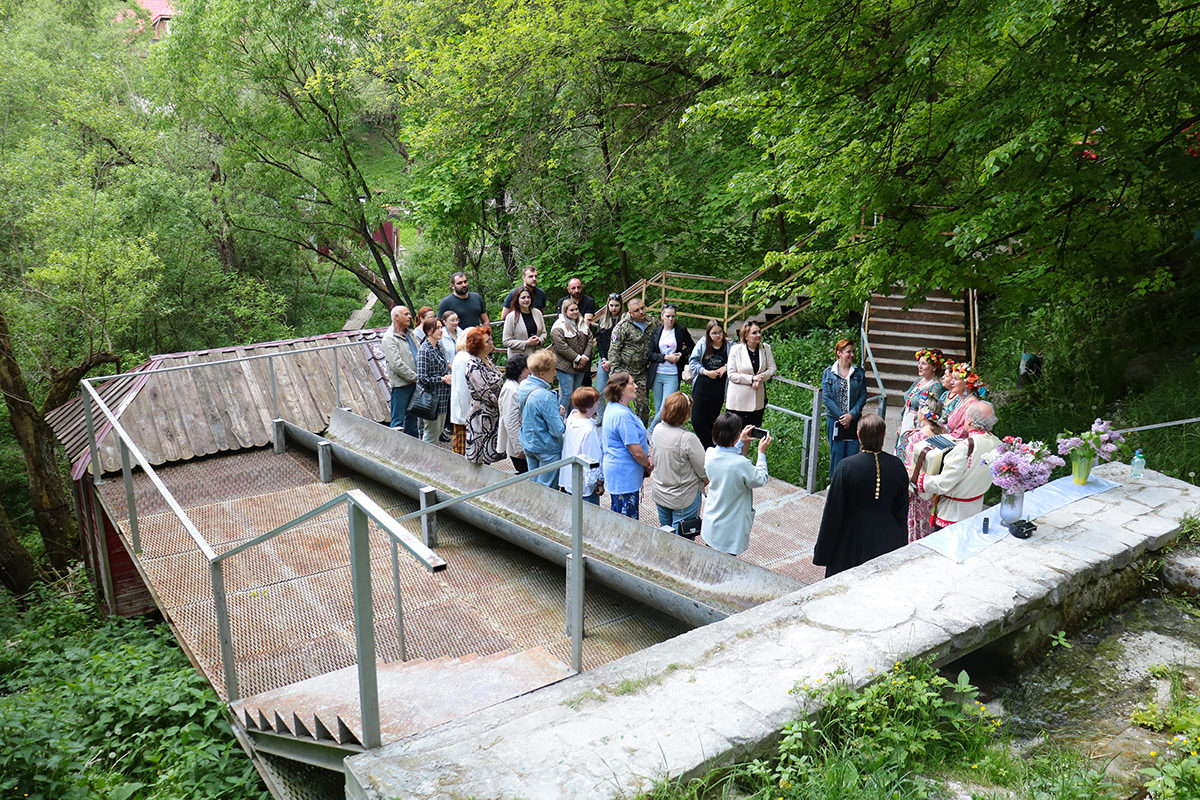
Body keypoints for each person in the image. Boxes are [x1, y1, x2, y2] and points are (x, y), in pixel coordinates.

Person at [812, 414, 908, 578]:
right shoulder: (897, 465)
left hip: (851, 540)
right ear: (884, 435)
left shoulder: (846, 467)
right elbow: (901, 511)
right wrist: (901, 546)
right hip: (887, 538)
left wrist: (823, 552)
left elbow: (833, 513)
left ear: (858, 436)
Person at [914, 401, 1001, 529]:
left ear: (969, 422)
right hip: (975, 508)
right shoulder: (997, 443)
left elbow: (943, 483)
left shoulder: (965, 448)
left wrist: (917, 477)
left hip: (952, 514)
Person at [700, 412, 771, 556]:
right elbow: (761, 478)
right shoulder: (741, 464)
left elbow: (728, 456)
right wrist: (761, 453)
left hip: (711, 525)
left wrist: (739, 443)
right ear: (737, 434)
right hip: (730, 532)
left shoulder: (710, 454)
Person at [650, 393, 708, 530]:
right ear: (686, 415)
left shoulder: (657, 429)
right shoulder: (688, 438)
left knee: (665, 533)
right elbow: (704, 469)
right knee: (683, 540)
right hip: (683, 497)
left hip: (660, 492)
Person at [601, 370, 652, 519]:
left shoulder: (613, 407)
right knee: (626, 523)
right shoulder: (622, 416)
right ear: (621, 388)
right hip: (624, 477)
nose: (635, 386)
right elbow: (635, 450)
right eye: (631, 383)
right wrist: (646, 463)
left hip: (620, 474)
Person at [518, 350, 566, 487]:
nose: (555, 372)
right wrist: (560, 417)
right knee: (547, 489)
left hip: (529, 442)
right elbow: (557, 430)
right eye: (552, 369)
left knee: (533, 485)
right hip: (547, 448)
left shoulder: (524, 386)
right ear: (542, 374)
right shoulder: (546, 396)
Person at [821, 338, 866, 480]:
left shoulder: (859, 373)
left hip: (853, 420)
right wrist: (842, 416)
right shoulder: (828, 373)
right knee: (836, 453)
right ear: (839, 353)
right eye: (848, 352)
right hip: (835, 420)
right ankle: (836, 483)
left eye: (853, 351)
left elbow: (863, 395)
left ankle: (850, 483)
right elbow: (827, 398)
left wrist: (851, 415)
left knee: (853, 453)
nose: (852, 355)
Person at [646, 305, 695, 435]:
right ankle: (659, 434)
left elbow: (691, 347)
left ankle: (650, 431)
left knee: (666, 406)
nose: (670, 319)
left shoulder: (680, 331)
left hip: (673, 374)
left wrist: (681, 354)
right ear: (662, 317)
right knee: (658, 408)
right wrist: (665, 357)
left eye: (673, 316)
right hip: (657, 373)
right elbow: (650, 353)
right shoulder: (656, 331)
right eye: (667, 316)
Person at [608, 298, 656, 424]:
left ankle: (641, 431)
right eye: (637, 310)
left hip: (642, 372)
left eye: (643, 308)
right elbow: (614, 351)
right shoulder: (622, 327)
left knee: (643, 405)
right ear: (630, 313)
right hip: (625, 372)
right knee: (621, 405)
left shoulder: (653, 322)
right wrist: (617, 373)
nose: (641, 312)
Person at [903, 396, 945, 542]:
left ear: (925, 413)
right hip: (933, 485)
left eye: (921, 408)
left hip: (917, 487)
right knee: (928, 519)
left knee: (915, 522)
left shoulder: (917, 438)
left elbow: (909, 464)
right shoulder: (943, 433)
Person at [463, 326, 505, 465]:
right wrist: (504, 405)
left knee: (492, 456)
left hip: (494, 415)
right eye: (487, 342)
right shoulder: (473, 365)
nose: (491, 344)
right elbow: (485, 393)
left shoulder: (488, 360)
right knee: (480, 458)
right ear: (478, 346)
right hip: (481, 416)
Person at [895, 348, 948, 457]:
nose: (919, 366)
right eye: (919, 363)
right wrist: (901, 425)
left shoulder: (936, 387)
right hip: (907, 419)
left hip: (919, 423)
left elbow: (932, 411)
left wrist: (920, 428)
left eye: (924, 364)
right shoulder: (918, 382)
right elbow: (908, 403)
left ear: (934, 367)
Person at [727, 321, 777, 429]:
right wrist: (751, 379)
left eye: (759, 332)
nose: (758, 335)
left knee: (750, 434)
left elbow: (772, 369)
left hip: (756, 401)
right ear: (746, 336)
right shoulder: (736, 349)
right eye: (754, 333)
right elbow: (731, 374)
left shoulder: (765, 348)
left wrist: (760, 378)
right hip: (738, 402)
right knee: (735, 434)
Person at [688, 320, 730, 450]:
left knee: (712, 422)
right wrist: (706, 372)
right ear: (709, 334)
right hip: (702, 387)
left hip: (718, 389)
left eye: (720, 332)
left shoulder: (729, 346)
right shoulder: (703, 344)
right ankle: (710, 447)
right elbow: (693, 362)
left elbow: (736, 361)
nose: (717, 335)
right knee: (697, 421)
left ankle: (709, 451)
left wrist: (725, 367)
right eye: (714, 333)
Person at [558, 387, 604, 504]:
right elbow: (593, 458)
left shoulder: (571, 418)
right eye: (596, 401)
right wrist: (598, 482)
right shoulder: (589, 430)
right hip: (585, 484)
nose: (599, 403)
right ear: (589, 406)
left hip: (569, 478)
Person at [381, 304, 419, 436]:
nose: (410, 317)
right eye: (406, 314)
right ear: (396, 317)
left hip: (415, 383)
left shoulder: (411, 333)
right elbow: (397, 365)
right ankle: (394, 451)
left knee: (413, 420)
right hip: (402, 385)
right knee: (397, 421)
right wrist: (416, 377)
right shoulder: (389, 338)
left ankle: (414, 450)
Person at [416, 317, 452, 444]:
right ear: (428, 330)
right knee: (430, 435)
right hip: (430, 400)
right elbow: (422, 378)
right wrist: (441, 379)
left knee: (437, 432)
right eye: (437, 328)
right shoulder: (424, 350)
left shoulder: (439, 346)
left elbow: (444, 367)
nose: (441, 330)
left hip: (442, 397)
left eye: (441, 327)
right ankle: (426, 462)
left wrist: (447, 376)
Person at [550, 299, 592, 408]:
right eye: (571, 310)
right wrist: (578, 358)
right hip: (564, 365)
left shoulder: (582, 323)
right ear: (565, 311)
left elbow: (590, 340)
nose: (575, 312)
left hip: (581, 365)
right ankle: (559, 420)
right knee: (566, 394)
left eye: (576, 309)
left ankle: (572, 419)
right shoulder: (558, 326)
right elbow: (562, 347)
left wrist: (585, 357)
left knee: (576, 394)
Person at [497, 354, 529, 473]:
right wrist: (518, 447)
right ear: (521, 370)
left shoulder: (518, 385)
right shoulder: (510, 389)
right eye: (528, 368)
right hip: (518, 445)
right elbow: (510, 421)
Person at [592, 293, 623, 412]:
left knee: (617, 390)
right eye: (611, 305)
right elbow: (599, 341)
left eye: (616, 305)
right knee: (600, 389)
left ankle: (616, 414)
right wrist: (604, 358)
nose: (614, 308)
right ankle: (601, 415)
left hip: (618, 361)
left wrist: (613, 360)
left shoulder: (624, 321)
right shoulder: (603, 321)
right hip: (604, 360)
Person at [502, 285, 547, 359]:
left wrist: (539, 340)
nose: (526, 300)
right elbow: (506, 341)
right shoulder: (511, 317)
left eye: (528, 297)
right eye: (523, 298)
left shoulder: (537, 313)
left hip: (537, 356)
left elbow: (544, 332)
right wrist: (526, 343)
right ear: (517, 299)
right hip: (519, 358)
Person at [944, 362, 986, 438]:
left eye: (956, 379)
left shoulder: (972, 405)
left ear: (966, 384)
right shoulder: (962, 400)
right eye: (952, 378)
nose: (951, 382)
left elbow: (961, 434)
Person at [449, 331, 471, 453]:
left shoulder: (463, 356)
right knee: (463, 451)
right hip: (464, 413)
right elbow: (463, 390)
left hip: (464, 412)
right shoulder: (464, 358)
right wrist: (466, 416)